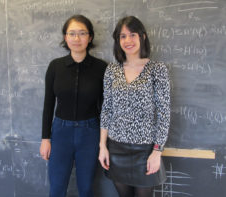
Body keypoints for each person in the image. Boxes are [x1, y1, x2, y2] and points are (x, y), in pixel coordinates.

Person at [98, 16, 170, 197]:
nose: (128, 40)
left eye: (132, 35)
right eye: (123, 36)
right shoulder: (112, 70)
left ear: (142, 37)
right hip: (116, 148)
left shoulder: (157, 69)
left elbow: (164, 112)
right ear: (118, 40)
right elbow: (107, 109)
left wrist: (157, 152)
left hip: (145, 150)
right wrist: (102, 146)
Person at [39, 15, 107, 197]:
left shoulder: (101, 68)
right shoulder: (55, 67)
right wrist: (45, 138)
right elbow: (48, 103)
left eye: (82, 33)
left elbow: (106, 108)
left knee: (86, 188)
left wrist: (103, 142)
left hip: (90, 132)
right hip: (61, 133)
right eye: (72, 33)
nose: (77, 39)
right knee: (57, 188)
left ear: (90, 37)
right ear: (65, 37)